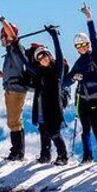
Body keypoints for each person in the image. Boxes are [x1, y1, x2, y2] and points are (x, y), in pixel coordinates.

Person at [64, 4, 97, 165]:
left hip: (95, 98)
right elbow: (65, 81)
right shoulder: (78, 63)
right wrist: (73, 78)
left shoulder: (96, 56)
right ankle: (87, 157)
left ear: (88, 45)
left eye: (84, 44)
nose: (82, 48)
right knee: (85, 130)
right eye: (78, 46)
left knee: (96, 129)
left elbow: (94, 37)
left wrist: (89, 18)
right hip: (82, 99)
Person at [17, 26, 68, 165]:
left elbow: (59, 53)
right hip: (41, 107)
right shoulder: (40, 73)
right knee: (44, 131)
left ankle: (63, 156)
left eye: (44, 56)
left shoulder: (57, 71)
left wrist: (54, 37)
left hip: (53, 109)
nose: (43, 60)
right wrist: (17, 47)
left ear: (49, 56)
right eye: (40, 58)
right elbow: (27, 64)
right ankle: (45, 156)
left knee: (54, 133)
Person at [0, 14, 30, 161]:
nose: (1, 40)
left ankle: (17, 152)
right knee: (14, 120)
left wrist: (1, 19)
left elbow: (12, 35)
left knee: (14, 121)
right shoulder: (11, 53)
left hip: (15, 90)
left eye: (2, 36)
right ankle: (17, 151)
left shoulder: (15, 48)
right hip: (12, 87)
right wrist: (3, 75)